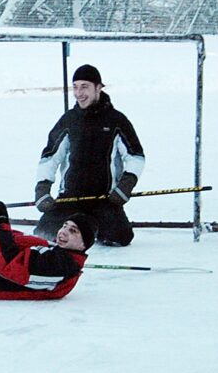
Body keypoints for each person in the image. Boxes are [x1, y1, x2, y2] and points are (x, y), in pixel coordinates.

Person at [33, 64, 145, 247]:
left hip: (104, 199)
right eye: (75, 87)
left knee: (119, 238)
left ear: (98, 88)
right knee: (44, 234)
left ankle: (89, 226)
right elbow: (50, 157)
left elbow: (136, 157)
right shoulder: (69, 120)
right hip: (70, 198)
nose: (79, 93)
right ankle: (79, 226)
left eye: (85, 86)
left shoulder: (117, 120)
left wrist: (125, 186)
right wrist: (42, 189)